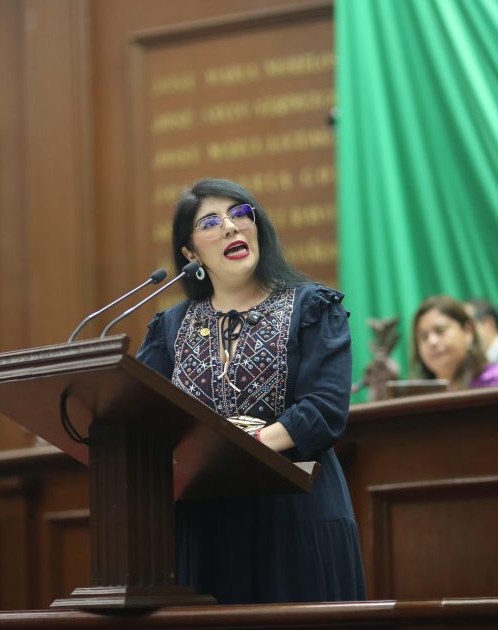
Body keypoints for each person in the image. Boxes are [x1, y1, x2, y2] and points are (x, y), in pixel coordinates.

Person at [136, 178, 366, 604]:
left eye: (240, 213)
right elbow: (142, 416)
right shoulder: (169, 328)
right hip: (206, 526)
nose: (230, 226)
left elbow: (324, 410)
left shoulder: (312, 307)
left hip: (298, 511)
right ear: (190, 254)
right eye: (210, 222)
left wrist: (249, 443)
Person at [410, 295, 498, 390]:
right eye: (423, 337)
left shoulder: (497, 380)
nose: (432, 342)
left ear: (468, 332)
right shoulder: (415, 394)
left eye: (440, 331)